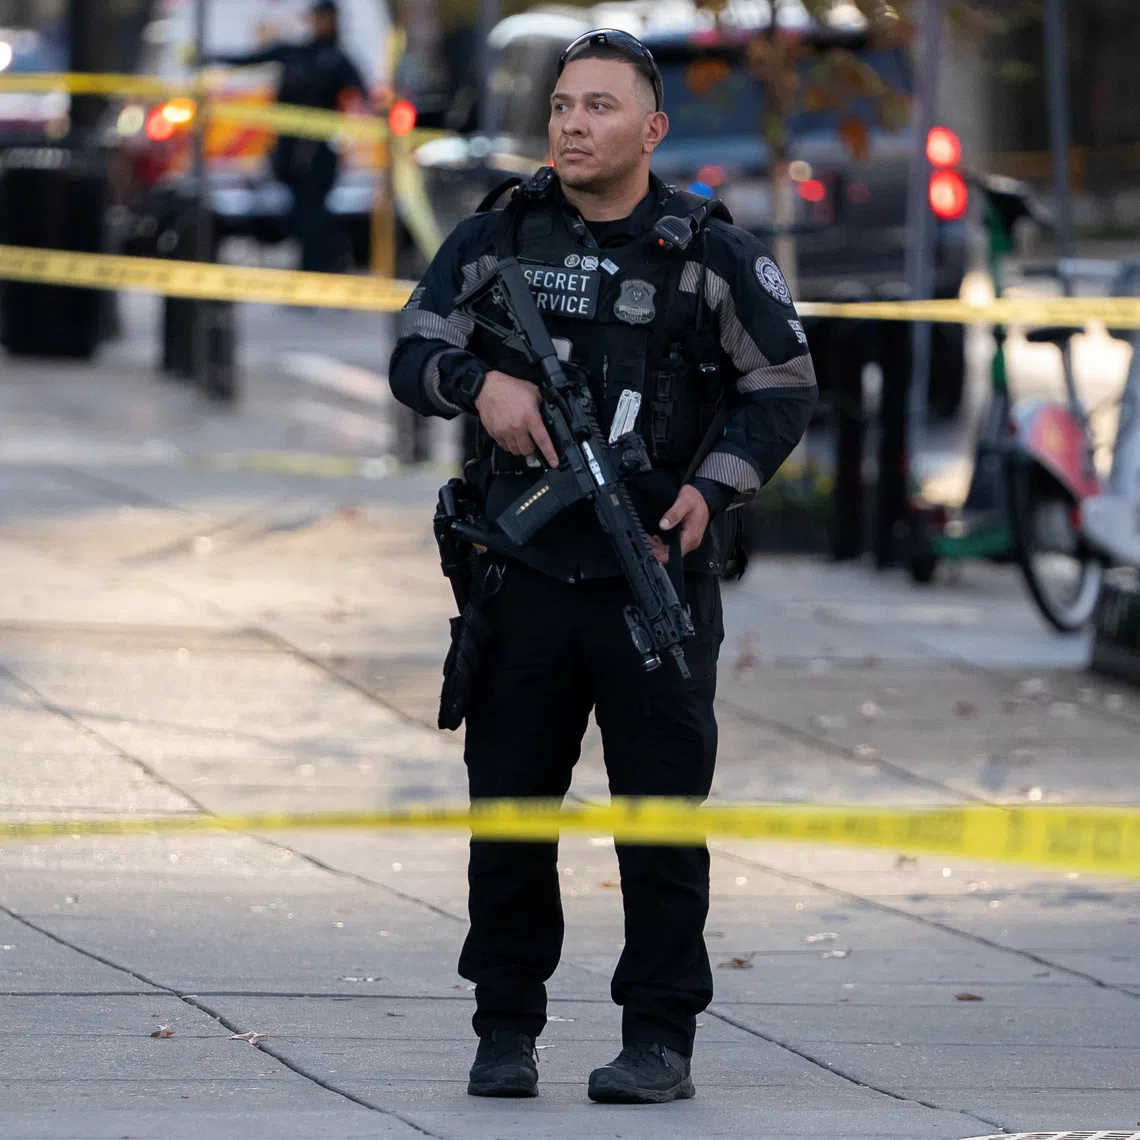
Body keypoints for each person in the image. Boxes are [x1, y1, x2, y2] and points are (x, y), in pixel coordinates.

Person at [389, 29, 816, 1105]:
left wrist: (711, 487)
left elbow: (782, 385)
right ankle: (505, 1028)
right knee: (511, 817)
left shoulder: (708, 253)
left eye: (600, 107)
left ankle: (658, 1040)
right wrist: (476, 384)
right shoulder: (496, 235)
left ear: (652, 129)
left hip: (654, 580)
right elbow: (412, 349)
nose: (574, 125)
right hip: (521, 578)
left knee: (660, 822)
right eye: (563, 106)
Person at [209, 0, 365, 272]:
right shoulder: (296, 53)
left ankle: (321, 268)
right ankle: (317, 267)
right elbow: (251, 59)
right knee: (301, 216)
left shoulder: (338, 60)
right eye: (318, 18)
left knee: (314, 217)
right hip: (289, 155)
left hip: (319, 155)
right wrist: (210, 57)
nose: (321, 24)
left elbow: (362, 95)